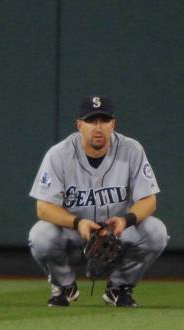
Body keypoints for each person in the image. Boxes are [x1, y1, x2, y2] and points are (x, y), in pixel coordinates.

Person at [28, 96, 168, 307]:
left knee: (156, 231)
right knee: (41, 235)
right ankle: (64, 285)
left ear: (113, 124)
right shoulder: (58, 154)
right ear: (79, 125)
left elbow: (149, 200)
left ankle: (119, 287)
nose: (98, 127)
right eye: (91, 121)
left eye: (104, 121)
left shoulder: (132, 150)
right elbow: (43, 208)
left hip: (117, 233)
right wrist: (77, 223)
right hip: (74, 234)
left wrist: (125, 220)